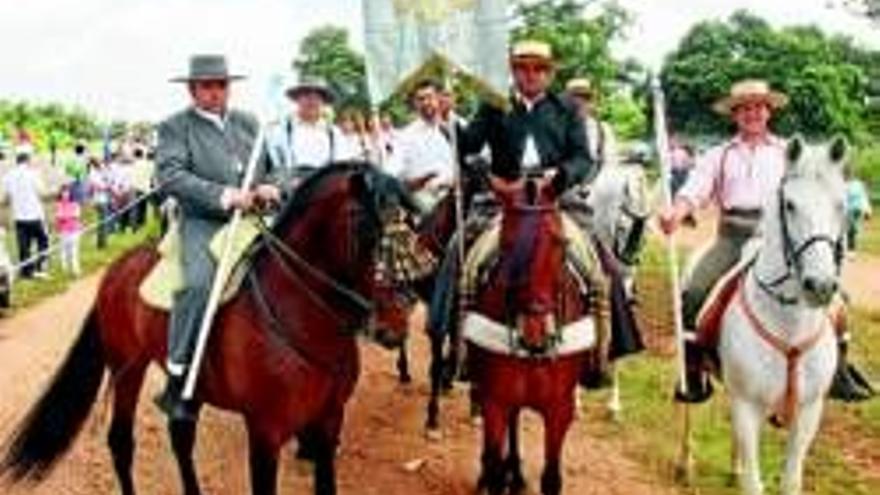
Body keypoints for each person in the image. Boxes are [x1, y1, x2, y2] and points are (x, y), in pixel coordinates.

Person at [659, 79, 871, 403]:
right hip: (732, 236)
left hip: (782, 238)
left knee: (837, 296)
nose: (752, 113)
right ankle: (694, 372)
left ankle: (839, 372)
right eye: (744, 108)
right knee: (695, 292)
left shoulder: (791, 152)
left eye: (759, 106)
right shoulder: (719, 155)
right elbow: (695, 189)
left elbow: (818, 187)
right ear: (735, 115)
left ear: (769, 111)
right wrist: (677, 210)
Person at [428, 39, 594, 338]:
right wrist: (448, 118)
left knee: (600, 257)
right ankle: (448, 332)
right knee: (458, 249)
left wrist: (561, 177)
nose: (531, 74)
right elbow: (468, 147)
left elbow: (584, 158)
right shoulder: (494, 105)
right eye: (522, 68)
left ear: (550, 74)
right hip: (502, 198)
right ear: (513, 71)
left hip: (557, 197)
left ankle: (610, 343)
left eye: (539, 68)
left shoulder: (568, 108)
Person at [155, 54, 282, 421]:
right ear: (192, 90)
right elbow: (171, 176)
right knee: (197, 284)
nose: (215, 92)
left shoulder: (248, 122)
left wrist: (271, 185)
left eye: (221, 84)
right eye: (207, 86)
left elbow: (273, 168)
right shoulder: (174, 127)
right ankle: (178, 375)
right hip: (204, 221)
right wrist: (225, 195)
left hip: (255, 218)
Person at [388, 79, 455, 210]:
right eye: (420, 99)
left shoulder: (456, 128)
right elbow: (392, 173)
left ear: (438, 99)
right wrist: (423, 180)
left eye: (429, 97)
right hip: (424, 202)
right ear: (415, 104)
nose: (425, 103)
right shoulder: (405, 136)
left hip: (458, 198)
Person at [264, 75, 343, 185]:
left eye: (317, 96)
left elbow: (341, 167)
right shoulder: (280, 131)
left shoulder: (335, 133)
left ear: (323, 101)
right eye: (306, 95)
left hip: (325, 190)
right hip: (290, 191)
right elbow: (273, 166)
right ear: (297, 99)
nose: (312, 101)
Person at [1, 144, 50, 279]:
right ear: (28, 159)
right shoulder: (33, 174)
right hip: (35, 215)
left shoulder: (8, 175)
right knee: (43, 241)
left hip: (19, 217)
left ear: (17, 159)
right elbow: (42, 193)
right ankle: (40, 266)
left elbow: (5, 198)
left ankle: (26, 272)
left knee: (23, 245)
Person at [565, 78, 619, 174]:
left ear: (591, 103)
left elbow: (611, 166)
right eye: (573, 98)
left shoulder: (603, 130)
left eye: (586, 98)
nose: (580, 102)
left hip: (596, 184)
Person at [55, 183, 82, 276]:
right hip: (63, 231)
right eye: (63, 192)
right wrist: (65, 217)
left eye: (67, 192)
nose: (65, 194)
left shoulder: (74, 204)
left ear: (70, 193)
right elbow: (58, 216)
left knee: (74, 251)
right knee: (63, 250)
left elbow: (76, 216)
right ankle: (64, 269)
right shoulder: (58, 204)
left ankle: (75, 269)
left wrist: (65, 217)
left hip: (74, 230)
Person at [844, 168, 872, 256]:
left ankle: (851, 249)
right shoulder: (842, 184)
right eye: (847, 173)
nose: (849, 175)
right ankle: (848, 247)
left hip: (855, 209)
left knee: (852, 228)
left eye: (850, 173)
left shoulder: (858, 184)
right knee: (849, 229)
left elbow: (863, 197)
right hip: (844, 210)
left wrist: (868, 211)